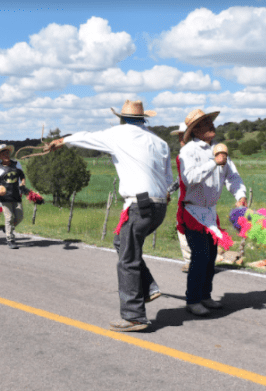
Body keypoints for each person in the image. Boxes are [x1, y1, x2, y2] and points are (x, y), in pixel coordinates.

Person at [46, 100, 172, 332]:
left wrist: (63, 140)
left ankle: (134, 316)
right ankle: (148, 287)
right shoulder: (160, 142)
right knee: (122, 244)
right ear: (144, 119)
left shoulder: (119, 134)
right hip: (159, 205)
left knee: (127, 260)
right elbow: (168, 177)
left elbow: (87, 137)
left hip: (139, 204)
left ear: (122, 118)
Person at [177, 109, 247, 317]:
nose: (211, 125)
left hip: (209, 212)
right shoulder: (188, 151)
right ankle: (193, 300)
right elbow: (189, 177)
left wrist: (240, 195)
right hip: (192, 210)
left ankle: (205, 295)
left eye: (210, 121)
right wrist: (213, 163)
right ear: (196, 130)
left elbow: (233, 177)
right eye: (205, 123)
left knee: (210, 257)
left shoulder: (218, 150)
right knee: (200, 256)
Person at [0, 144, 25, 249]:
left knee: (19, 217)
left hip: (16, 195)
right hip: (5, 197)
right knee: (9, 217)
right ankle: (10, 239)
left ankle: (8, 229)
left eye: (7, 153)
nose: (5, 155)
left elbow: (22, 176)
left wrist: (22, 183)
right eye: (3, 153)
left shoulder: (16, 164)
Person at [169, 122, 192, 273]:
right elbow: (180, 178)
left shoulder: (187, 154)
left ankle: (191, 260)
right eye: (179, 136)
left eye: (182, 136)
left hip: (189, 199)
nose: (180, 139)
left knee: (183, 228)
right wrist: (170, 190)